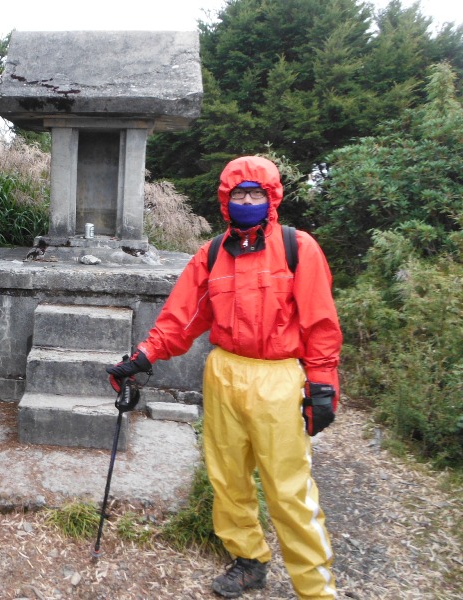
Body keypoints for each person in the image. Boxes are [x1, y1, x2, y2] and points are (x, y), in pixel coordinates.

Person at [107, 155, 342, 599]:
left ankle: (317, 588)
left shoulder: (299, 247)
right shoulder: (212, 254)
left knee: (288, 490)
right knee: (227, 478)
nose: (248, 201)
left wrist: (322, 385)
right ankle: (249, 559)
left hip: (278, 378)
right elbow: (181, 317)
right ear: (225, 200)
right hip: (223, 373)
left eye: (256, 193)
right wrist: (142, 357)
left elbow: (320, 323)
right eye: (239, 194)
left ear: (272, 197)